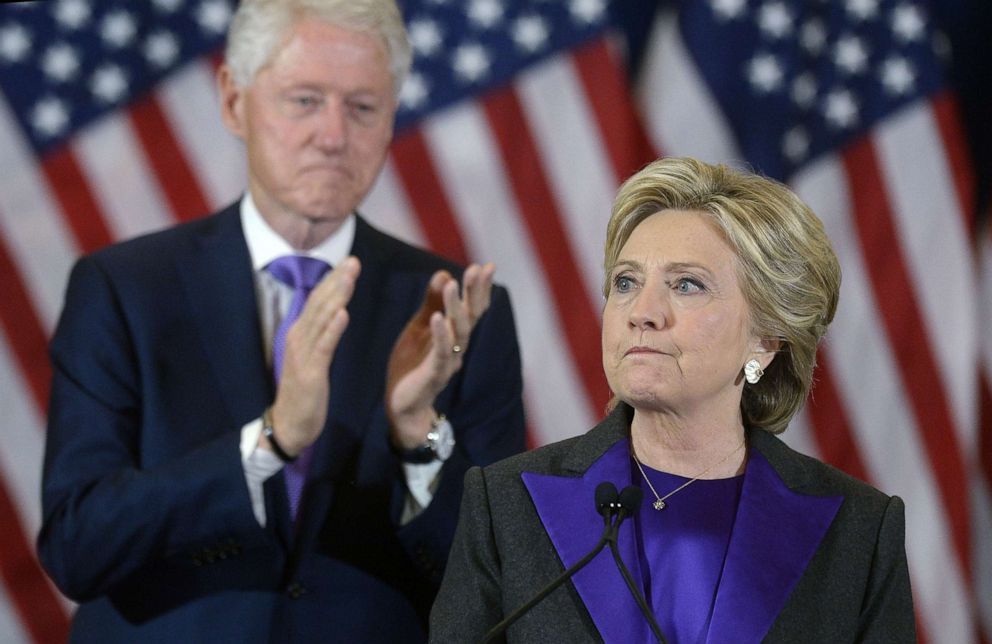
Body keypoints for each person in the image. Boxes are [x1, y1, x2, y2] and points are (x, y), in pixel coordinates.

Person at [37, 0, 525, 641]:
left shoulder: (454, 310)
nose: (332, 135)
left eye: (362, 108)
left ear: (389, 122)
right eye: (304, 100)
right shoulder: (123, 291)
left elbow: (503, 579)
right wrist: (268, 443)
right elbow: (77, 547)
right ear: (234, 103)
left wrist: (419, 437)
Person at [430, 157, 915, 643]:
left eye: (687, 285)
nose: (642, 312)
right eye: (626, 282)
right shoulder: (507, 505)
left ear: (766, 339)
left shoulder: (859, 533)